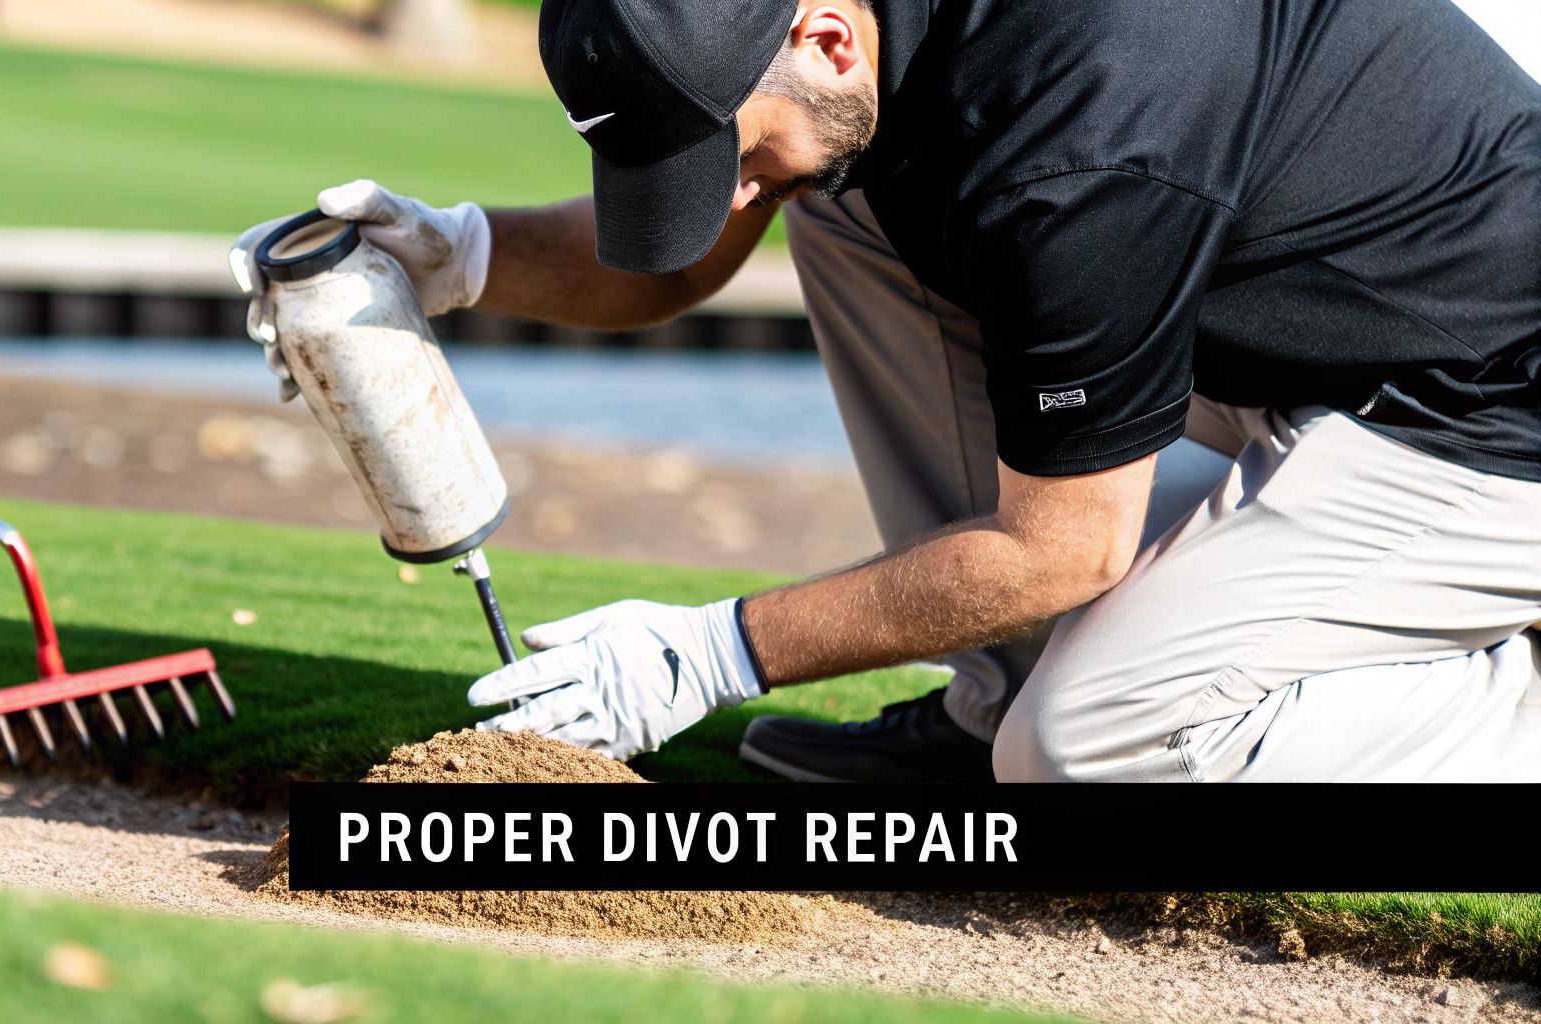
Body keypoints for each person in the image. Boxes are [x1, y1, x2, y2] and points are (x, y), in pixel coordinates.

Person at [237, 0, 1541, 782]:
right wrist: (458, 254)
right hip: (1301, 327)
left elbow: (1065, 546)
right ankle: (995, 698)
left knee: (1087, 750)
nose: (727, 198)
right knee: (834, 196)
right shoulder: (836, 48)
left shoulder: (1073, 139)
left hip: (1481, 413)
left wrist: (717, 650)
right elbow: (681, 264)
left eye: (730, 160)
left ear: (823, 38)